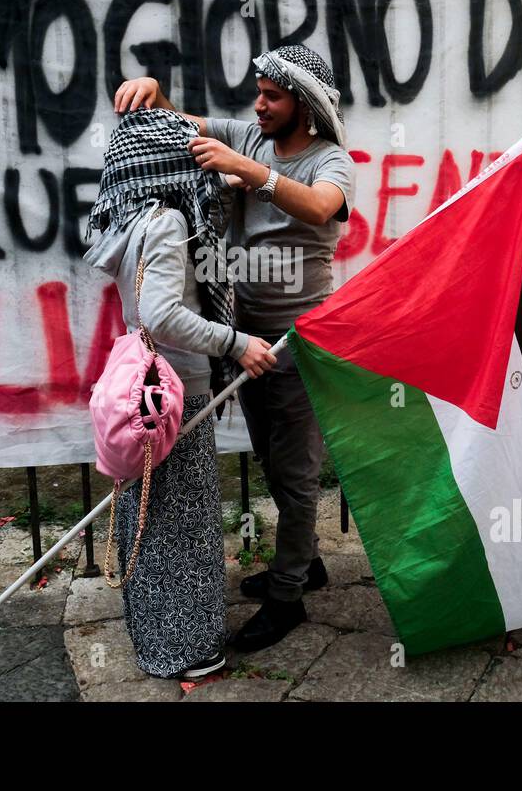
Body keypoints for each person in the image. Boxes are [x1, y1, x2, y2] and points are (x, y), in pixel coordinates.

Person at [113, 44, 355, 653]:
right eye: (259, 93)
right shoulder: (248, 135)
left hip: (301, 341)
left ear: (304, 103)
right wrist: (152, 89)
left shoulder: (331, 161)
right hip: (246, 341)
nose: (259, 104)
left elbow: (323, 205)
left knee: (296, 474)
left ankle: (289, 597)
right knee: (275, 464)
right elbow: (177, 121)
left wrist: (250, 173)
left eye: (272, 96)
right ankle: (305, 564)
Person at [84, 108, 277, 680]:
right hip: (177, 391)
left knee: (151, 517)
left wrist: (241, 177)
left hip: (142, 391)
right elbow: (161, 312)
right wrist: (237, 343)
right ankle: (188, 650)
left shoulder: (130, 218)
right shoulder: (168, 221)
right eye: (188, 156)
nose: (200, 167)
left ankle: (154, 635)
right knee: (185, 524)